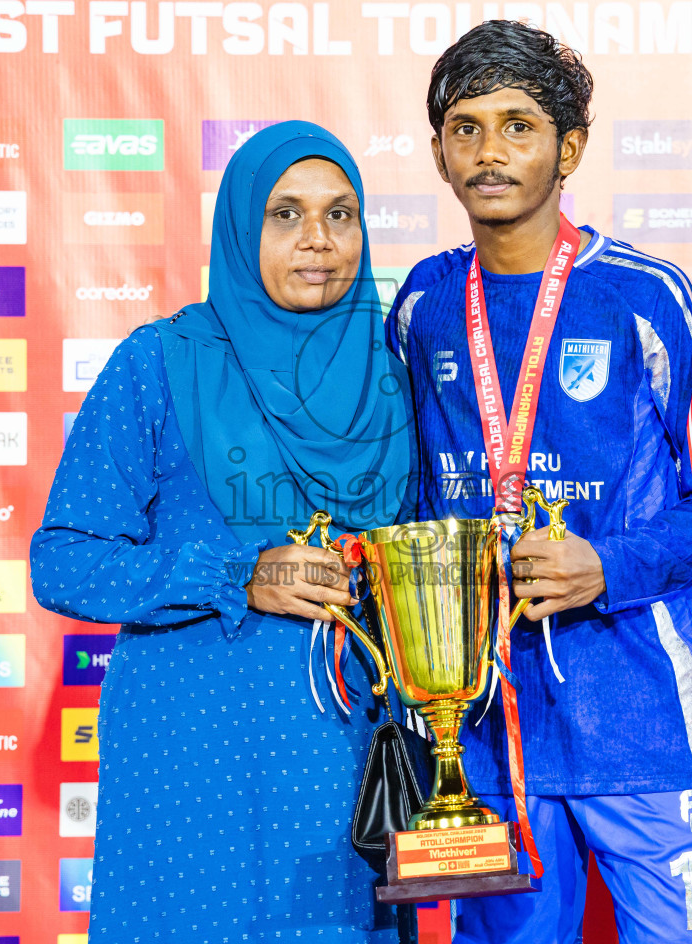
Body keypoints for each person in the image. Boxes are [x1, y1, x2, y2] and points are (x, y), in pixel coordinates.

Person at [384, 21, 692, 944]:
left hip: (638, 719)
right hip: (477, 730)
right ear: (437, 154)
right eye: (465, 128)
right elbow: (407, 503)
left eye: (518, 125)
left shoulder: (650, 298)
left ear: (571, 148)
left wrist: (609, 566)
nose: (489, 151)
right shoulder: (422, 307)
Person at [31, 121, 415, 943]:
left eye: (340, 214)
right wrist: (234, 576)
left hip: (346, 765)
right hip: (189, 751)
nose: (318, 240)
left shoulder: (396, 373)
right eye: (285, 214)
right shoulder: (160, 362)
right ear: (241, 227)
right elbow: (62, 560)